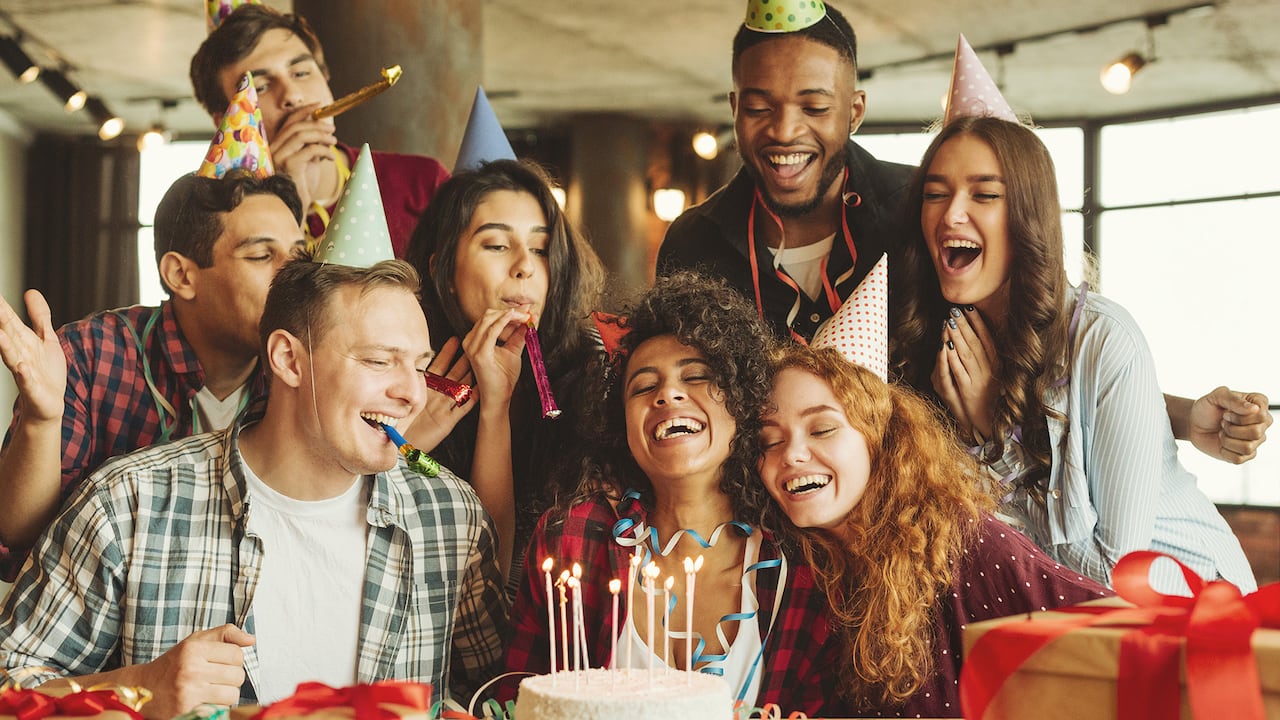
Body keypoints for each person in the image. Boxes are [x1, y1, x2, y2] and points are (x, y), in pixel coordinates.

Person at [659, 2, 1269, 467]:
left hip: (914, 535)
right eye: (759, 107)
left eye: (814, 107)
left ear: (855, 110)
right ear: (735, 106)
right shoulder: (692, 246)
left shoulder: (922, 209)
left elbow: (1041, 359)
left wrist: (1186, 418)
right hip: (762, 536)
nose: (784, 130)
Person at [0, 258, 508, 718]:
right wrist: (137, 688)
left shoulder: (450, 517)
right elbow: (9, 684)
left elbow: (490, 689)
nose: (414, 393)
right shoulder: (127, 505)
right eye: (378, 361)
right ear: (288, 359)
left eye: (419, 366)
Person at [892, 116, 1256, 592]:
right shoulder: (941, 349)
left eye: (984, 194)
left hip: (1198, 613)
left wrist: (997, 445)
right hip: (1071, 635)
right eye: (935, 194)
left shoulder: (1105, 339)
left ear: (1028, 214)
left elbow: (1110, 577)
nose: (951, 214)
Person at [499, 273, 839, 714]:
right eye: (643, 386)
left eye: (696, 377)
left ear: (741, 400)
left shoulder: (802, 562)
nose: (668, 394)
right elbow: (518, 701)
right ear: (620, 423)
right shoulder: (571, 540)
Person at [758, 343, 1110, 718]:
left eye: (822, 429)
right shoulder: (790, 573)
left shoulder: (968, 547)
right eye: (770, 441)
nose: (791, 453)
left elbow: (1124, 642)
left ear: (879, 439)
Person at [0, 171, 304, 581]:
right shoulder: (89, 355)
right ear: (181, 275)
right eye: (262, 256)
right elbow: (18, 535)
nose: (293, 276)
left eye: (298, 255)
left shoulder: (304, 371)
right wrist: (41, 420)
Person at [403, 159, 606, 585]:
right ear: (445, 271)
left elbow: (505, 576)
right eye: (496, 245)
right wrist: (406, 446)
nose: (525, 267)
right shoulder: (403, 375)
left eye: (540, 248)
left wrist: (498, 405)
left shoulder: (594, 375)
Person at [190, 4, 449, 256]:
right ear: (224, 122)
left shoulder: (424, 184)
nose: (293, 95)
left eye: (301, 73)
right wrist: (289, 204)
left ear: (326, 78)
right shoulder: (221, 226)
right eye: (260, 88)